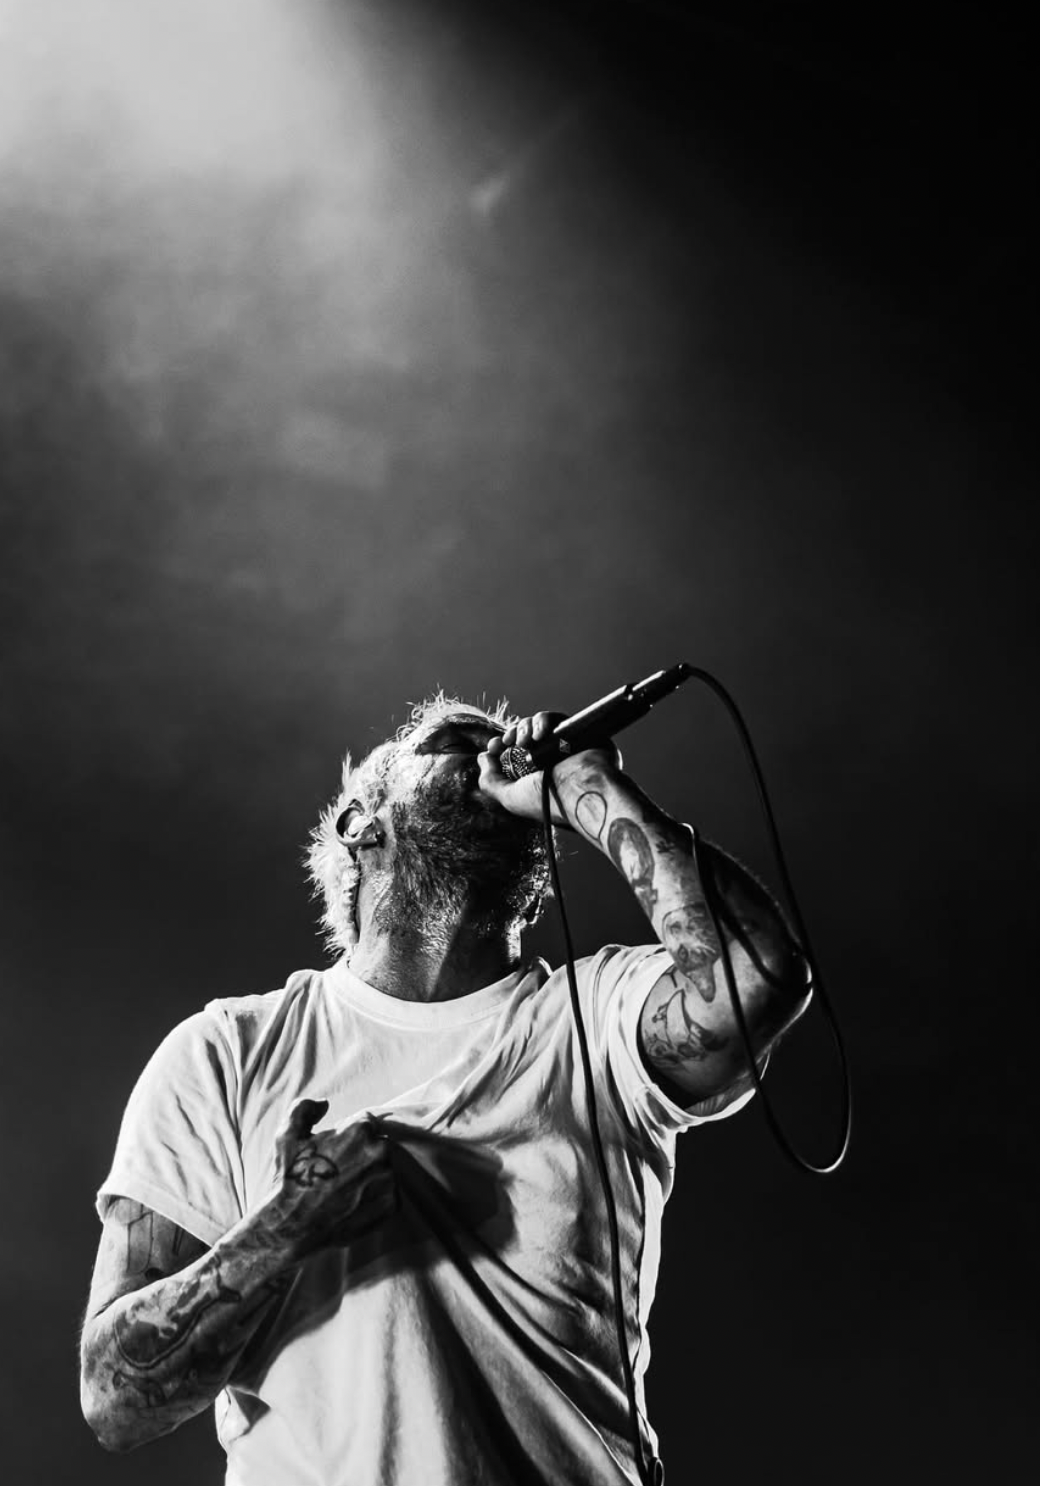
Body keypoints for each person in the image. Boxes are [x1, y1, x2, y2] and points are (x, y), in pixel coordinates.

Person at [79, 695, 810, 1485]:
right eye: (448, 747)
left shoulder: (597, 1020)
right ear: (362, 824)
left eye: (502, 752)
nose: (492, 757)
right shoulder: (228, 1053)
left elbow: (759, 975)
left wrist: (587, 789)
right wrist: (283, 1232)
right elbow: (117, 1397)